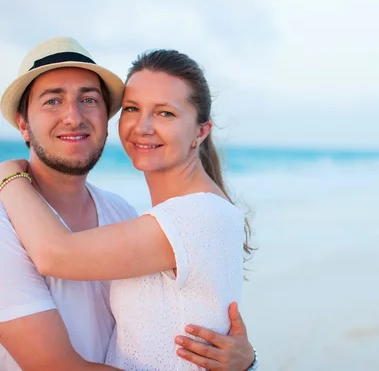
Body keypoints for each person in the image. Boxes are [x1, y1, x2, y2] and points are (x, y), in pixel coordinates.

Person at [0, 37, 257, 370]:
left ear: (201, 131)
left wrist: (7, 173)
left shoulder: (133, 214)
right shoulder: (8, 221)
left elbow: (55, 255)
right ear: (23, 123)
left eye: (88, 99)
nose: (72, 117)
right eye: (133, 109)